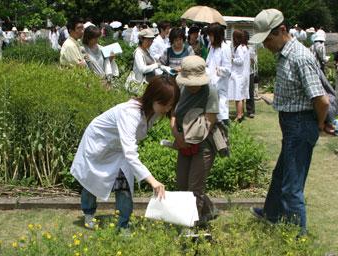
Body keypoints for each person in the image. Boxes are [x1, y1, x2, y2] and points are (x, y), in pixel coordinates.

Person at [248, 9, 331, 236]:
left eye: (268, 39)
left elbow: (321, 100)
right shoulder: (285, 54)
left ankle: (297, 236)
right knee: (280, 175)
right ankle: (271, 214)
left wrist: (320, 124)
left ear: (282, 30)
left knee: (292, 187)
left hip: (301, 124)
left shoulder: (300, 57)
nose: (265, 45)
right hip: (292, 124)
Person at [70, 76, 180, 230]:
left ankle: (123, 224)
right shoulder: (130, 113)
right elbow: (130, 153)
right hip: (99, 143)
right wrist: (152, 181)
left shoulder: (153, 112)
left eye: (170, 105)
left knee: (124, 185)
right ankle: (88, 214)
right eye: (165, 104)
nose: (167, 109)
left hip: (119, 148)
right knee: (92, 180)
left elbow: (128, 148)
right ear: (153, 97)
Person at [171, 55, 219, 225]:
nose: (192, 87)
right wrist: (178, 137)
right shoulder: (181, 88)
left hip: (204, 143)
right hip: (183, 141)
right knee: (182, 183)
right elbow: (173, 115)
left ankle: (193, 224)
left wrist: (187, 140)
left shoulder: (211, 92)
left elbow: (209, 123)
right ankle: (209, 210)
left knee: (195, 187)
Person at [206, 23, 232, 126]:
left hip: (220, 83)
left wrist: (218, 70)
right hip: (211, 82)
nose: (209, 38)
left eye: (211, 35)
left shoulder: (225, 48)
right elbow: (208, 62)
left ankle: (224, 125)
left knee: (221, 108)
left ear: (217, 35)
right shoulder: (212, 47)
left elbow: (228, 69)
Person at [228, 30, 250, 122]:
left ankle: (239, 115)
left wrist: (232, 59)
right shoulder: (244, 47)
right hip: (242, 74)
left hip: (239, 75)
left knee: (238, 97)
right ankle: (241, 113)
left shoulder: (239, 48)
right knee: (241, 95)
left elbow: (240, 61)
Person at [245, 30, 258, 118]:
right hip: (241, 73)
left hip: (249, 72)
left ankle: (250, 111)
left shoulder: (250, 48)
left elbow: (253, 61)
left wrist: (249, 58)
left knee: (250, 92)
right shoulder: (237, 48)